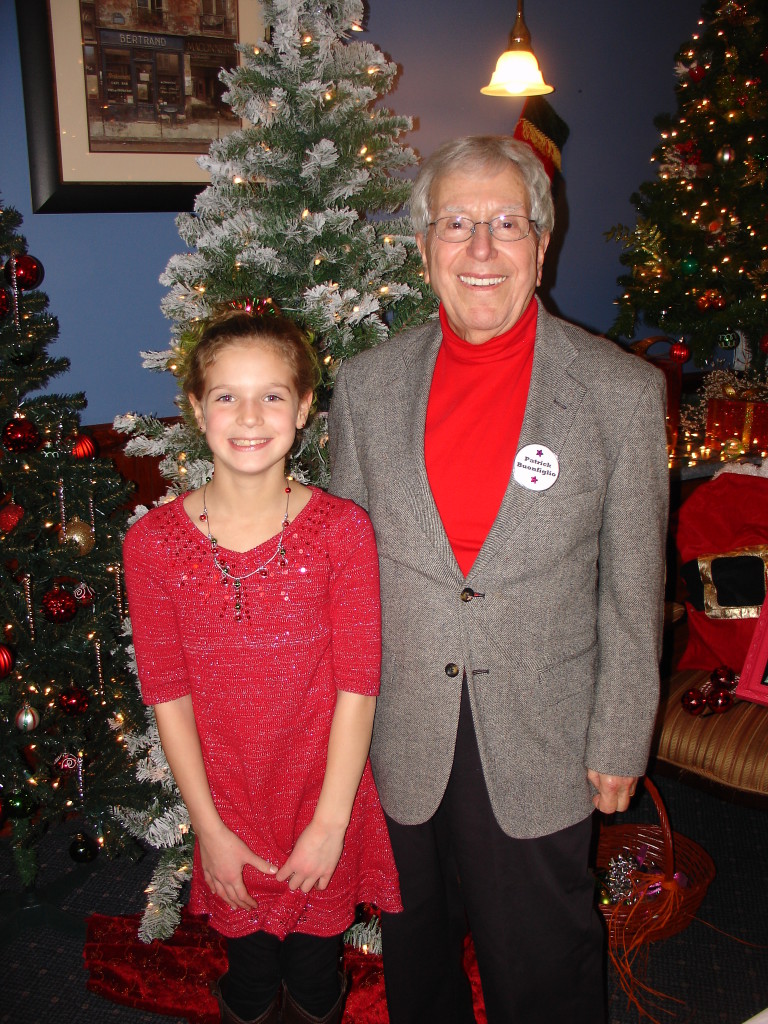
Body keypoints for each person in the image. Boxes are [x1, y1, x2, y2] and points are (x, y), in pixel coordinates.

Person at [328, 135, 669, 1024]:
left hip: (545, 732)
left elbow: (635, 588)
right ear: (423, 246)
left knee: (543, 966)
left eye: (506, 223)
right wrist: (340, 740)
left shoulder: (618, 394)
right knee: (418, 958)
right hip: (402, 729)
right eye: (458, 224)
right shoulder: (363, 390)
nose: (481, 249)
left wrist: (619, 736)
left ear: (542, 242)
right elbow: (347, 581)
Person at [123, 310, 401, 1024]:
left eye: (272, 395)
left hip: (321, 791)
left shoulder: (342, 531)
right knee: (247, 970)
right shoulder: (153, 545)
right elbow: (168, 694)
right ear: (196, 407)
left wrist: (330, 824)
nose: (249, 416)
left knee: (314, 968)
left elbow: (357, 685)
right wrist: (209, 828)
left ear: (304, 408)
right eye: (227, 396)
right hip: (228, 801)